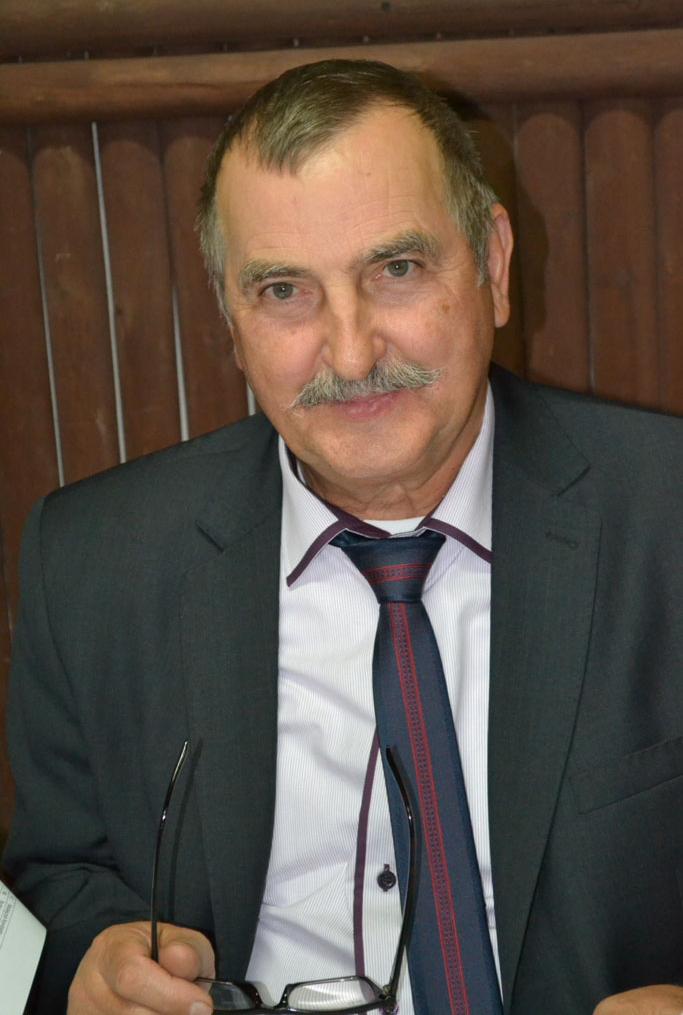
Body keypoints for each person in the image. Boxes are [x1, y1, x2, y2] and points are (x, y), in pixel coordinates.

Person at [3, 58, 683, 1015]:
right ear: (230, 315)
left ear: (491, 265)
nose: (353, 351)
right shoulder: (92, 561)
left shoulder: (665, 513)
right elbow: (58, 876)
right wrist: (95, 959)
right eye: (284, 290)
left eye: (395, 270)